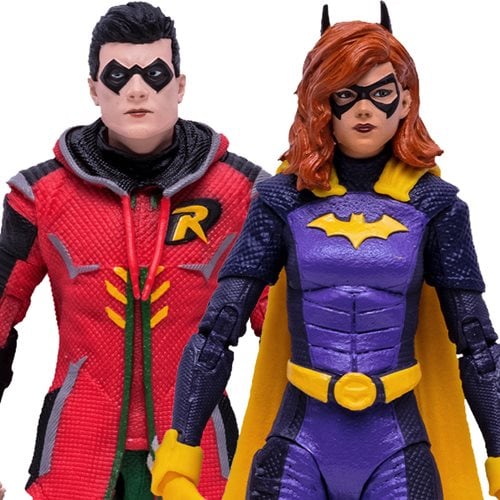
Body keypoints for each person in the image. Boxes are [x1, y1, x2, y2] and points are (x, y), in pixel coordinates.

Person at [151, 4, 500, 500]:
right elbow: (218, 332)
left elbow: (478, 345)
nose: (364, 110)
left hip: (396, 440)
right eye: (346, 94)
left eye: (381, 93)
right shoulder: (282, 200)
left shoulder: (435, 206)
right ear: (319, 102)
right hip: (301, 436)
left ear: (405, 100)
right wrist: (180, 458)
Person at [0, 2, 267, 499]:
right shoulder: (41, 196)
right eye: (118, 75)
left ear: (180, 85)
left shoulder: (242, 192)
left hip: (197, 449)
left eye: (154, 74)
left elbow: (288, 330)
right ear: (94, 88)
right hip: (79, 448)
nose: (137, 90)